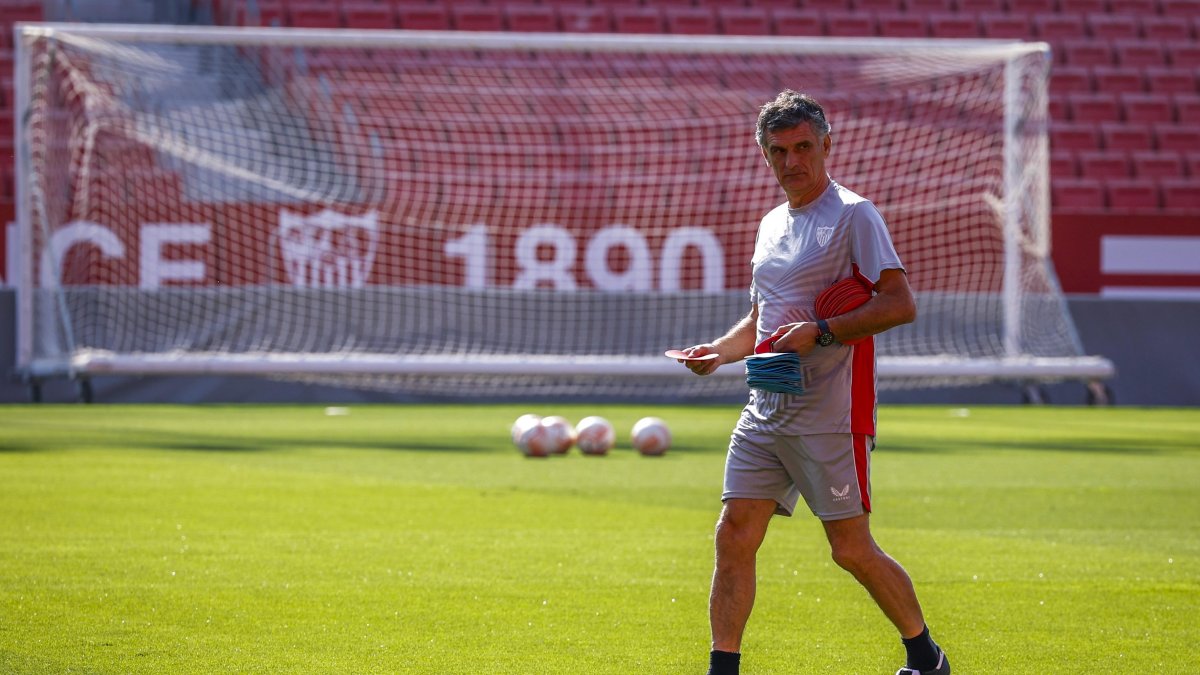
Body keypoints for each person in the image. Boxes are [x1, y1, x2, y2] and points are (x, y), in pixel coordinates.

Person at [676, 90, 949, 675]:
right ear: (765, 155)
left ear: (827, 146)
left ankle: (926, 658)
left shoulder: (855, 214)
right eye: (779, 151)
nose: (792, 161)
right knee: (734, 534)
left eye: (804, 147)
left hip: (831, 410)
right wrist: (718, 353)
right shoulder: (772, 223)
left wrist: (822, 330)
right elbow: (761, 320)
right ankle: (722, 668)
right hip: (765, 406)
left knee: (850, 550)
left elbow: (900, 304)